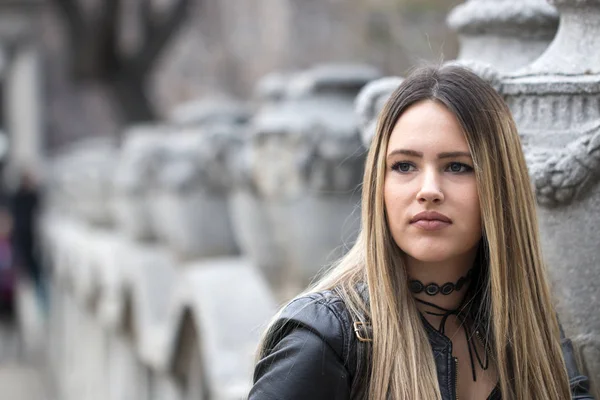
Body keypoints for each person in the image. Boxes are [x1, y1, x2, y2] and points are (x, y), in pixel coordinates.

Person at [248, 65, 595, 400]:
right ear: (378, 185)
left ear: (500, 186)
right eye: (404, 166)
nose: (429, 190)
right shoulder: (327, 338)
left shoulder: (532, 330)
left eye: (457, 166)